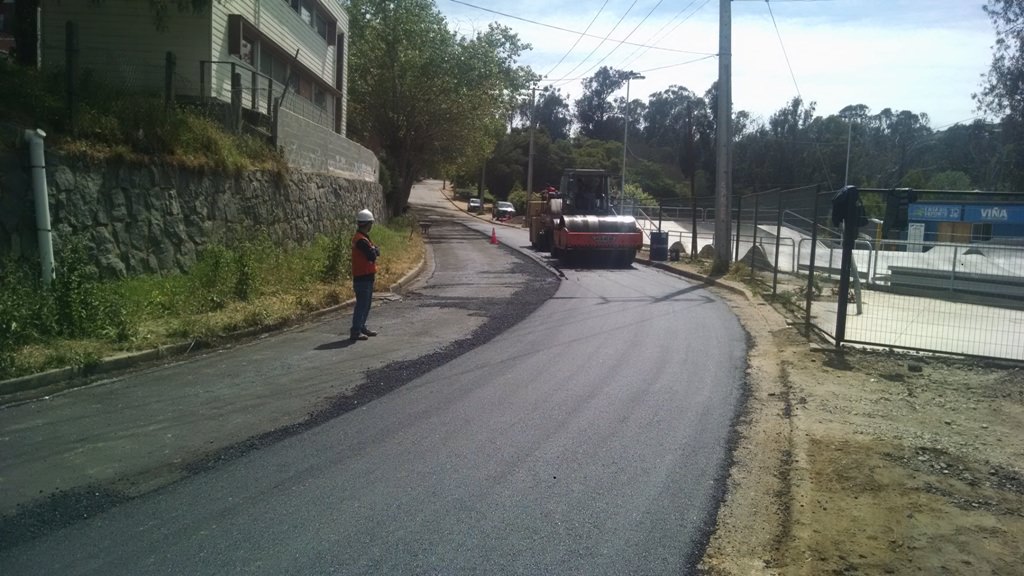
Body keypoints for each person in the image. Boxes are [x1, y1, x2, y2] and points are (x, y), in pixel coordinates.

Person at [350, 209, 380, 341]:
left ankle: (361, 327)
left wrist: (374, 250)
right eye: (371, 223)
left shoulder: (363, 238)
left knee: (366, 305)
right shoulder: (361, 240)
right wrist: (374, 250)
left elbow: (374, 251)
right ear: (368, 224)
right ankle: (356, 330)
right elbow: (372, 255)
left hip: (366, 276)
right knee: (362, 305)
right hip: (362, 277)